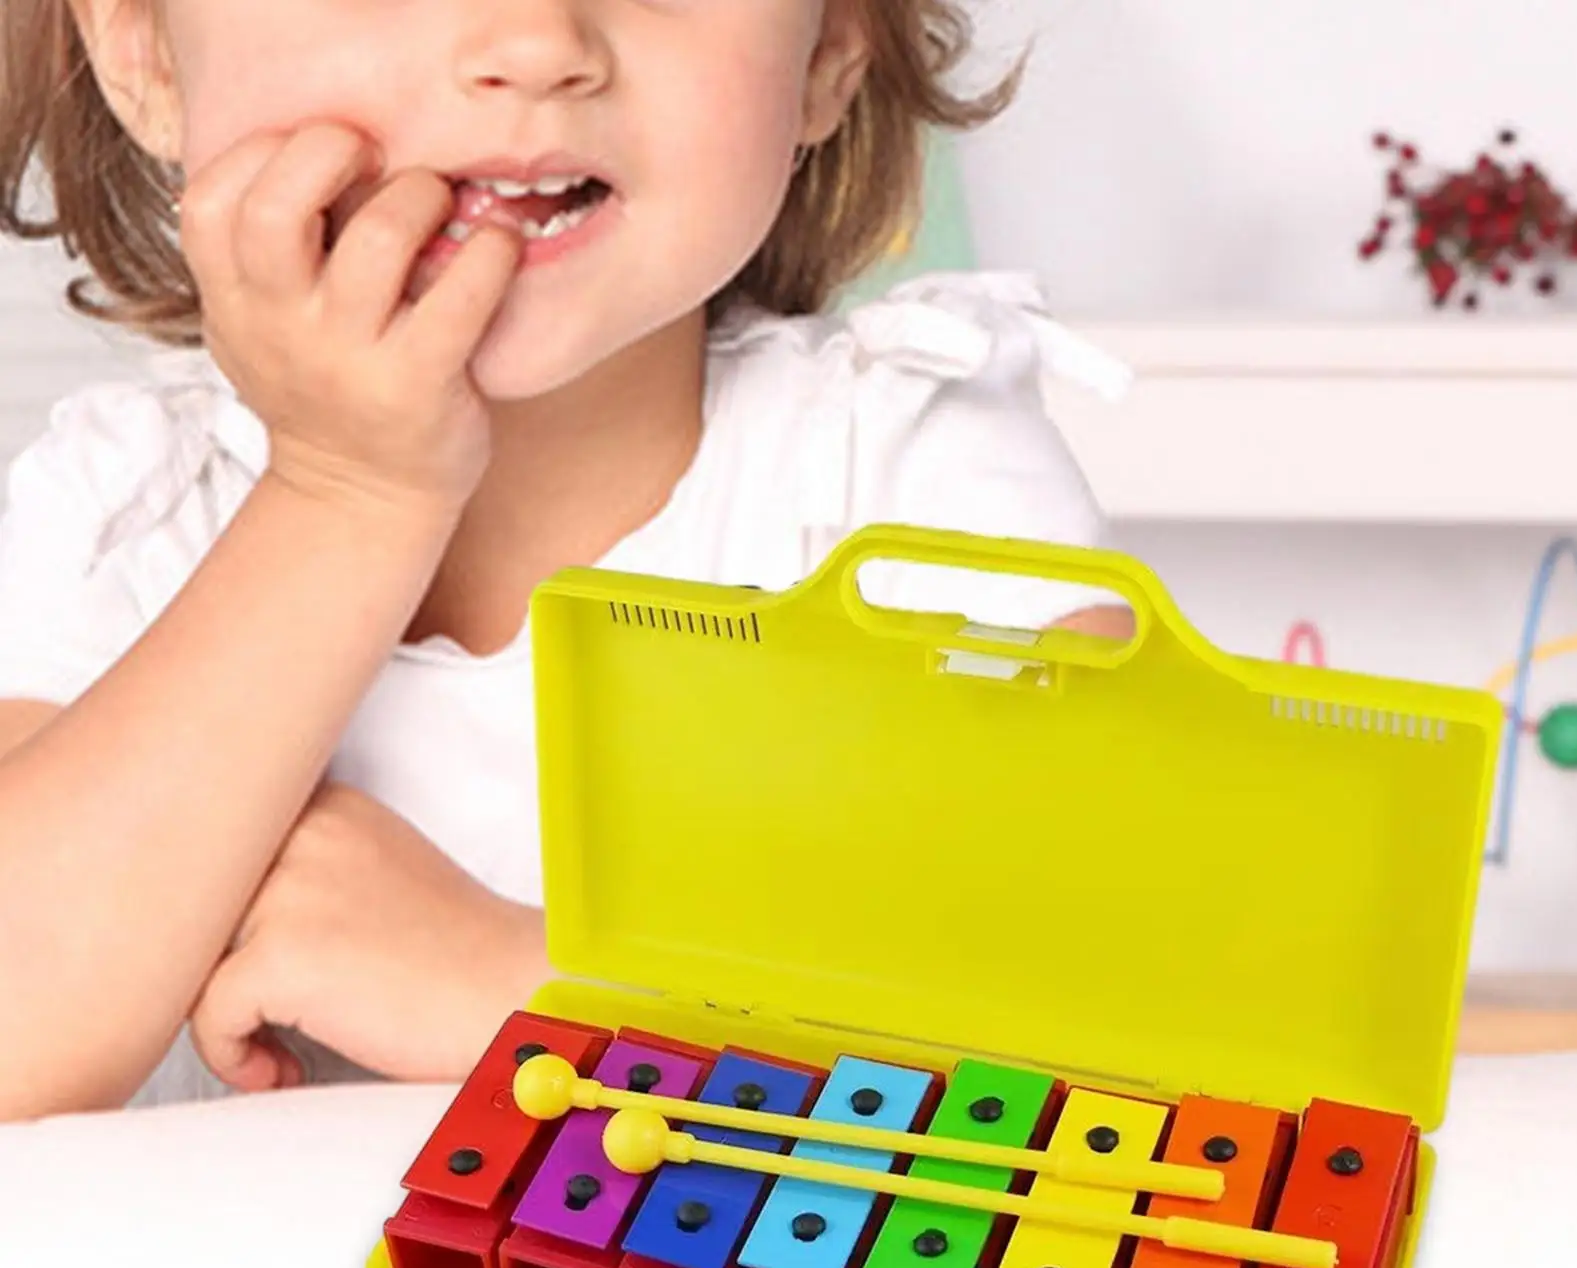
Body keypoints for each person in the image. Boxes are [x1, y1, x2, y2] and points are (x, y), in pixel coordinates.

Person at [0, 0, 1129, 1121]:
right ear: (143, 54)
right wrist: (348, 492)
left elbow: (1122, 1045)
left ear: (831, 49)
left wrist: (547, 1001)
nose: (538, 45)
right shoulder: (119, 510)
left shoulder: (906, 481)